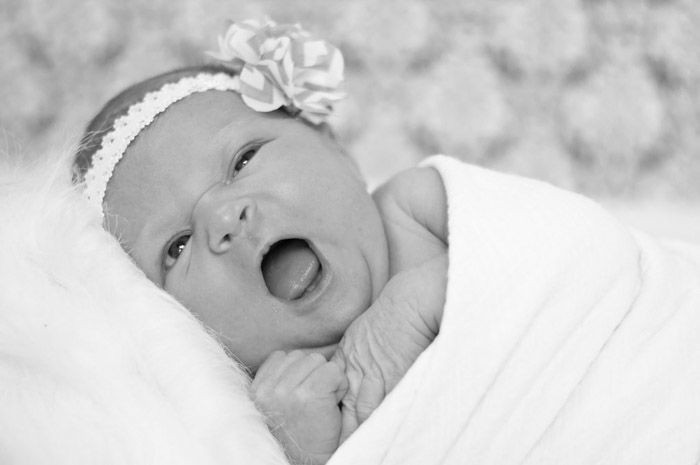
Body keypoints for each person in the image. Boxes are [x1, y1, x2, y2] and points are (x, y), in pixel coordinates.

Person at [74, 19, 448, 465]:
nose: (224, 218)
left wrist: (413, 307)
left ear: (332, 144)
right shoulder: (268, 412)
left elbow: (539, 250)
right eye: (178, 246)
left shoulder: (417, 209)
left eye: (242, 160)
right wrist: (302, 448)